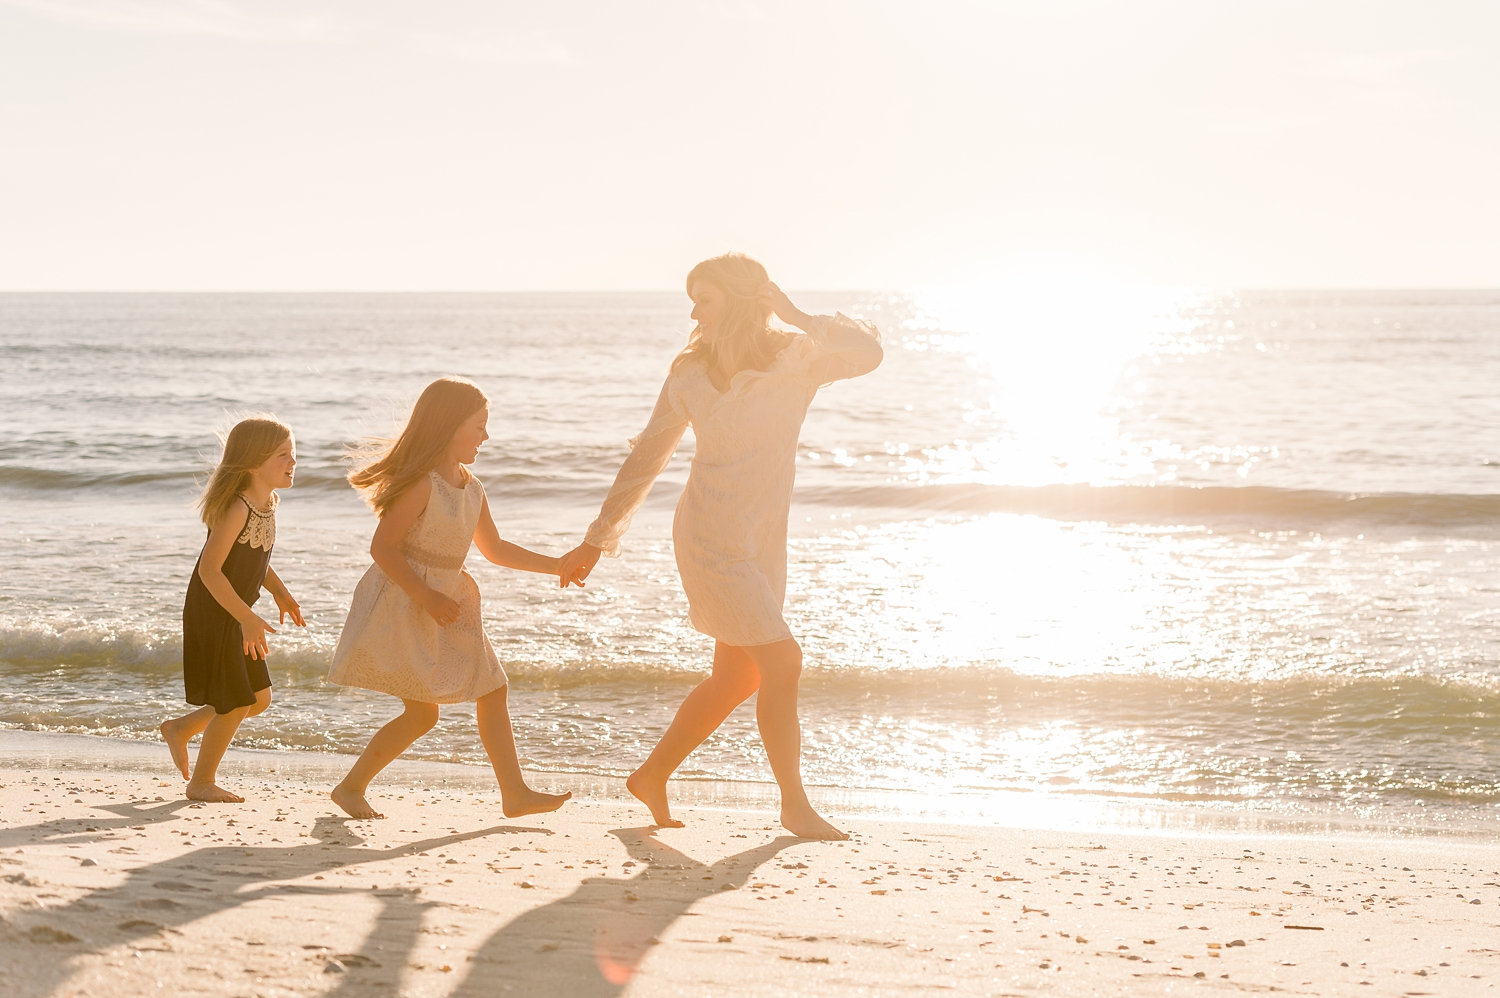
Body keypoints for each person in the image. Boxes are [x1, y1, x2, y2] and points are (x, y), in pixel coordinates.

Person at [558, 253, 882, 840]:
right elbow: (646, 459)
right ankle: (794, 806)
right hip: (709, 535)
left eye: (704, 298)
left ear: (738, 298)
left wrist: (792, 311)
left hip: (761, 538)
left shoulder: (796, 357)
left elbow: (869, 353)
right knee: (782, 661)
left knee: (738, 677)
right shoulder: (688, 373)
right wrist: (596, 540)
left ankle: (651, 775)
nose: (693, 310)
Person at [327, 376, 573, 820]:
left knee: (493, 690)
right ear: (449, 425)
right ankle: (350, 787)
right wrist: (425, 595)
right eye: (478, 425)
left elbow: (495, 550)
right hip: (407, 601)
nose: (486, 436)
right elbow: (382, 548)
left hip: (452, 604)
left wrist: (556, 565)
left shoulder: (472, 486)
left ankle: (514, 794)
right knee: (423, 714)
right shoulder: (422, 483)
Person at [161, 417, 305, 803]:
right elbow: (210, 570)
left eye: (293, 453)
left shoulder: (267, 502)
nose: (293, 461)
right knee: (237, 700)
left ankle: (181, 729)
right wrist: (246, 617)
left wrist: (280, 593)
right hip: (217, 610)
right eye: (283, 455)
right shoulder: (237, 507)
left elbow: (255, 558)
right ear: (254, 463)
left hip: (239, 610)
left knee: (257, 699)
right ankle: (202, 782)